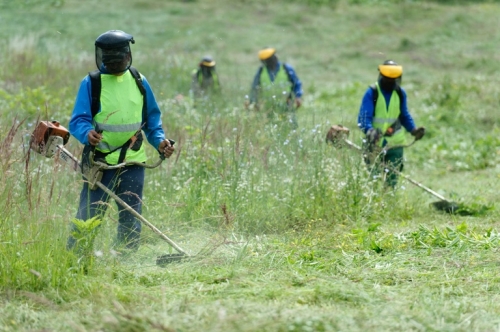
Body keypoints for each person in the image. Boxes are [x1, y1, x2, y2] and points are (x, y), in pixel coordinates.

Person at [67, 30, 175, 251]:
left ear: (128, 55)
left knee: (131, 213)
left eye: (120, 59)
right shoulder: (91, 83)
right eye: (111, 61)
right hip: (100, 163)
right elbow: (78, 120)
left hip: (133, 161)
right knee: (89, 213)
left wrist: (160, 141)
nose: (116, 65)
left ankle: (127, 258)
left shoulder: (139, 80)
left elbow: (152, 120)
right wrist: (87, 133)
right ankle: (76, 256)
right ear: (102, 58)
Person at [357, 60, 425, 188]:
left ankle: (388, 203)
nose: (390, 82)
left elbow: (404, 115)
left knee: (391, 181)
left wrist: (414, 130)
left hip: (395, 144)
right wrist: (369, 130)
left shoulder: (400, 93)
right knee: (373, 181)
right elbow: (363, 118)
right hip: (374, 143)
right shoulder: (372, 92)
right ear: (382, 76)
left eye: (393, 79)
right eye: (388, 79)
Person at [248, 47, 303, 128]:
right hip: (268, 109)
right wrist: (254, 102)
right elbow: (254, 88)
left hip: (287, 105)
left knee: (291, 127)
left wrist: (298, 96)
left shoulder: (286, 68)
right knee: (270, 129)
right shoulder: (261, 71)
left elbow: (296, 83)